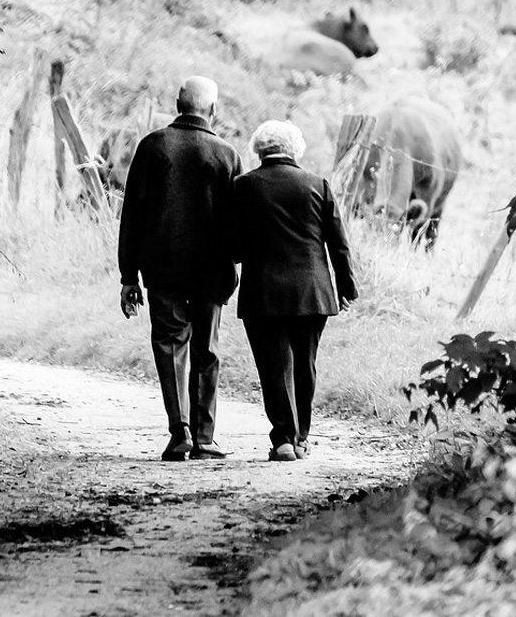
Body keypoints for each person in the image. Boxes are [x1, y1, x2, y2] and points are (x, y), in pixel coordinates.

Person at [117, 76, 243, 462]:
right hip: (211, 270)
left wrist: (128, 276)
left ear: (177, 104)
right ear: (214, 111)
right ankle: (205, 438)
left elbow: (132, 216)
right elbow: (237, 221)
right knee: (206, 349)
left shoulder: (153, 146)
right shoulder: (226, 154)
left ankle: (180, 432)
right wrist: (234, 262)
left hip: (162, 267)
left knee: (170, 346)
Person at [231, 120, 357, 462]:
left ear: (259, 149)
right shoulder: (318, 185)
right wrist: (346, 287)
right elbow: (339, 244)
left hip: (263, 292)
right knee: (305, 364)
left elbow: (235, 245)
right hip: (313, 291)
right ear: (295, 149)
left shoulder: (243, 186)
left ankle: (283, 438)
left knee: (274, 366)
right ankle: (301, 437)